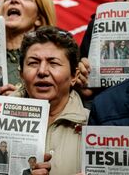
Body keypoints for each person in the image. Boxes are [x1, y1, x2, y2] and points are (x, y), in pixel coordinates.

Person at [12, 26, 89, 174]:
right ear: (21, 74)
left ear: (74, 76)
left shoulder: (94, 123)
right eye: (33, 62)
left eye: (53, 63)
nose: (42, 71)